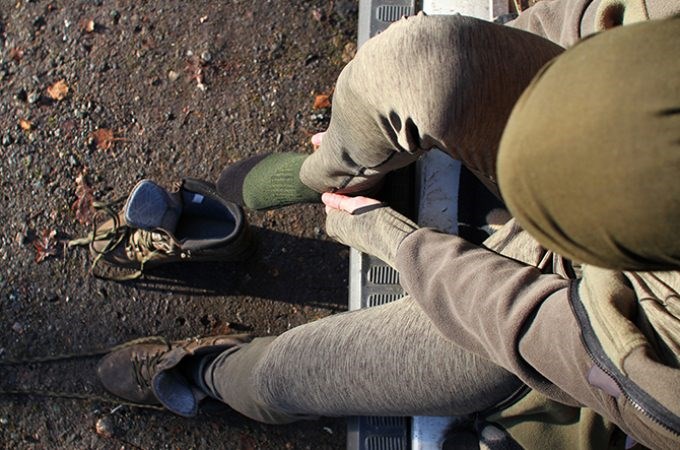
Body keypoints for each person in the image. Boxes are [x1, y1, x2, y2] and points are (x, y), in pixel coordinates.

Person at [94, 1, 680, 448]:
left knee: (292, 378)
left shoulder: (664, 376)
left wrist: (389, 237)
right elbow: (582, 23)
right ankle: (323, 177)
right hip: (609, 156)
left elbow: (517, 321)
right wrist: (484, 70)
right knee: (418, 62)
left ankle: (210, 371)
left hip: (573, 316)